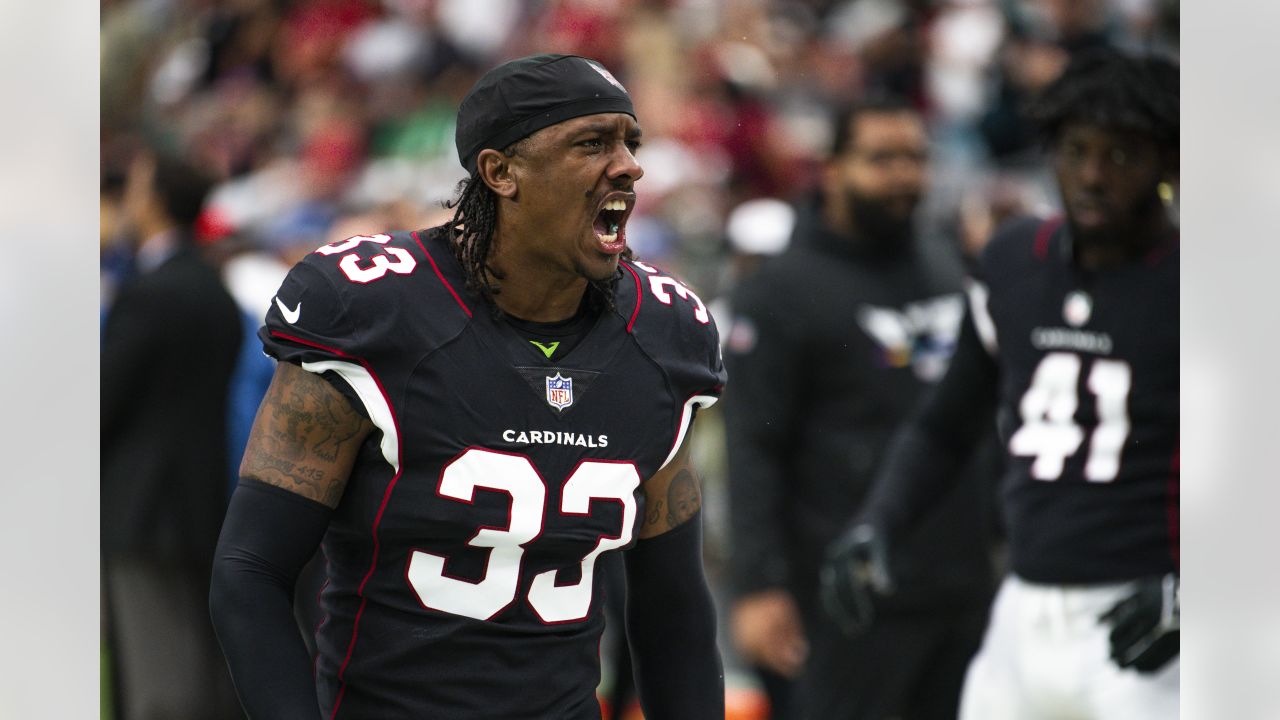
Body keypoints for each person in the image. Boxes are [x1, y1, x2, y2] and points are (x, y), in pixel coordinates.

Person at [209, 53, 726, 719]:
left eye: (631, 142)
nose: (628, 165)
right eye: (592, 142)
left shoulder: (666, 333)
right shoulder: (371, 308)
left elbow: (673, 607)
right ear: (500, 171)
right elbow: (250, 572)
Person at [823, 48, 1179, 720]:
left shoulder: (1203, 284)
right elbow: (946, 420)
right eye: (1077, 151)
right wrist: (879, 520)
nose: (1093, 176)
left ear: (1170, 163)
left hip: (1148, 611)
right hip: (1021, 608)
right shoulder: (1015, 259)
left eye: (1122, 156)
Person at [722, 99, 997, 720]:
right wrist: (759, 585)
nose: (904, 175)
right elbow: (753, 445)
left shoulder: (945, 264)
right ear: (833, 169)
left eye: (915, 159)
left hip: (958, 583)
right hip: (844, 594)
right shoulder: (782, 290)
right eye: (882, 159)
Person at [101, 151, 244, 719]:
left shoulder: (150, 293)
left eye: (136, 189)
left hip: (143, 507)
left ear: (157, 201)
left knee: (159, 677)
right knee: (198, 667)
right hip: (203, 500)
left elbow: (106, 402)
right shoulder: (217, 290)